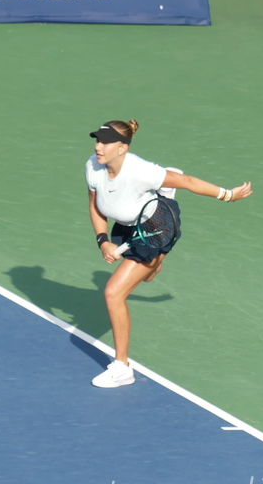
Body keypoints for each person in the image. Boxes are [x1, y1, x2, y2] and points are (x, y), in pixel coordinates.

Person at [86, 119, 252, 388]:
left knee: (113, 292)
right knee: (148, 277)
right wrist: (103, 240)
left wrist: (228, 195)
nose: (98, 146)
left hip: (154, 227)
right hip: (126, 224)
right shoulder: (93, 167)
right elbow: (94, 206)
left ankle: (121, 368)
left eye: (106, 142)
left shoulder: (140, 171)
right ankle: (154, 261)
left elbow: (187, 180)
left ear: (123, 148)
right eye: (97, 140)